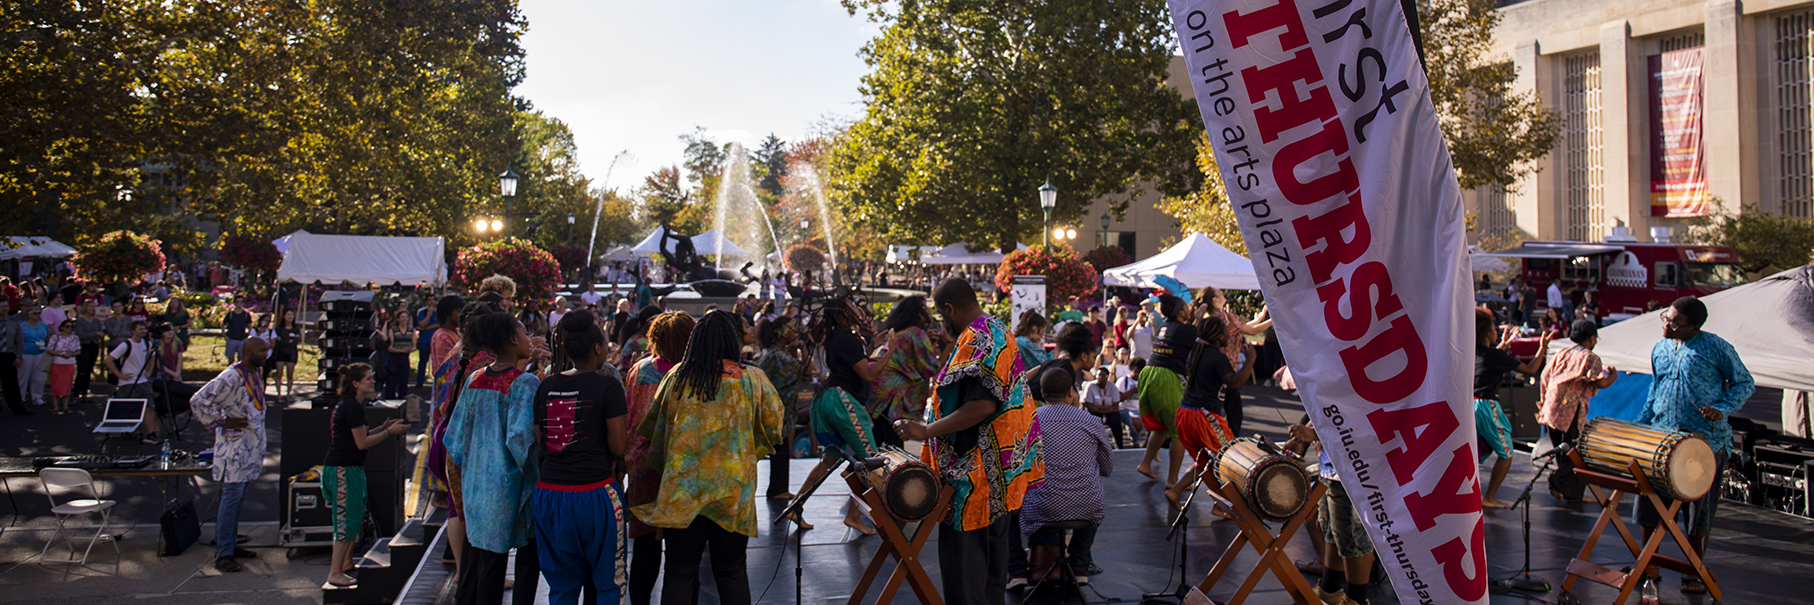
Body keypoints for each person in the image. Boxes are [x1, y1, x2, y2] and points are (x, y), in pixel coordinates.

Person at [892, 279, 1042, 605]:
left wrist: (925, 431)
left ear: (950, 309)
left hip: (974, 480)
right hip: (1001, 475)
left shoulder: (978, 339)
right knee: (990, 573)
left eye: (942, 314)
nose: (941, 322)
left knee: (967, 577)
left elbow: (982, 405)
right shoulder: (996, 328)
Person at [634, 311, 785, 605]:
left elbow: (656, 430)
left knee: (679, 571)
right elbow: (774, 427)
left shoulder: (676, 377)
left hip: (683, 493)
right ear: (732, 340)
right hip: (731, 493)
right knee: (731, 571)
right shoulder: (752, 379)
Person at [1636, 296, 1753, 595]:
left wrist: (1722, 407)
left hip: (1704, 441)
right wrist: (1641, 424)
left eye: (1674, 322)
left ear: (1693, 327)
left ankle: (1693, 570)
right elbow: (1656, 388)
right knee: (1650, 503)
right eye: (1666, 317)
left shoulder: (1716, 347)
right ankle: (1648, 564)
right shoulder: (1660, 347)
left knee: (1698, 512)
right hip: (1662, 438)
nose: (1666, 324)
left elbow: (1744, 382)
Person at [444, 312, 543, 605]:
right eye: (525, 334)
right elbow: (522, 441)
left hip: (476, 486)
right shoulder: (524, 383)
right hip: (507, 487)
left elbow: (455, 437)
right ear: (513, 339)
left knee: (479, 564)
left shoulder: (476, 378)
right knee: (512, 564)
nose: (529, 339)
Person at [534, 311, 630, 605]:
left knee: (561, 586)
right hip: (596, 495)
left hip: (550, 495)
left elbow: (542, 443)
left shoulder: (546, 386)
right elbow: (618, 445)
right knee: (608, 584)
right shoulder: (608, 386)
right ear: (599, 349)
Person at [624, 311, 694, 605]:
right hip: (681, 471)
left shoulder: (638, 370)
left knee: (643, 551)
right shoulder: (693, 374)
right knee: (684, 558)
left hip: (642, 468)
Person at [1021, 368, 1113, 582]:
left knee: (1011, 511)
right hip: (1086, 505)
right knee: (1093, 503)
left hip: (1043, 507)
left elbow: (1018, 469)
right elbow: (1108, 468)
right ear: (1071, 392)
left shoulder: (1030, 421)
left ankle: (1017, 571)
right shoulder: (1091, 421)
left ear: (1042, 394)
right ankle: (1079, 566)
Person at [189, 337, 272, 573]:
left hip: (250, 445)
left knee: (239, 498)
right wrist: (223, 421)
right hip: (234, 447)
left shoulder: (255, 373)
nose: (266, 353)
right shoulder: (231, 376)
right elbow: (198, 400)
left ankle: (232, 543)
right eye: (262, 350)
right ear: (247, 351)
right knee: (231, 497)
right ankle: (223, 552)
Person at [322, 363, 408, 587]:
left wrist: (382, 427)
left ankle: (347, 562)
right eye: (368, 379)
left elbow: (359, 435)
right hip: (344, 469)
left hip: (350, 468)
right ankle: (334, 571)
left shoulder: (352, 406)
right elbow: (361, 443)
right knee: (345, 520)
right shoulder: (352, 407)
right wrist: (389, 433)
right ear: (355, 384)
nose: (373, 381)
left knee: (355, 515)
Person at [1163, 313, 1256, 508]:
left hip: (1185, 413)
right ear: (1217, 337)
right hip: (1202, 416)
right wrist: (1250, 360)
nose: (1229, 335)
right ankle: (1222, 505)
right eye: (1225, 332)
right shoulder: (1216, 357)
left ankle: (1176, 491)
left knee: (1206, 461)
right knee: (1231, 457)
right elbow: (1235, 383)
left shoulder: (1196, 352)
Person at [1475, 308, 1549, 509]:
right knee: (1506, 453)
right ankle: (1489, 497)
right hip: (1486, 406)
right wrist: (1542, 348)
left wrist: (1502, 345)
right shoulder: (1496, 356)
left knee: (1474, 450)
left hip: (1469, 405)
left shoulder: (1474, 352)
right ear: (1487, 332)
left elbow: (1488, 359)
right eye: (1493, 327)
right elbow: (1531, 369)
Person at [1538, 319, 1617, 503]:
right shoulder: (1589, 357)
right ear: (1590, 339)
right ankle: (1558, 480)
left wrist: (1543, 401)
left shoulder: (1562, 353)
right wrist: (1613, 375)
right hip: (1570, 409)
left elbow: (1544, 376)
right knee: (1575, 451)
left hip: (1553, 406)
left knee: (1561, 450)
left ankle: (1570, 492)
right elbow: (1601, 382)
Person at [1137, 294, 1194, 488]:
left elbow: (1183, 332)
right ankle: (1172, 480)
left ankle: (1145, 464)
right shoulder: (1186, 330)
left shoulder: (1163, 326)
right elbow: (1200, 335)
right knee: (1178, 431)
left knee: (1160, 427)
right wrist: (1199, 318)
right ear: (1180, 312)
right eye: (1187, 307)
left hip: (1148, 373)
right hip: (1166, 377)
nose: (1190, 309)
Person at [1197, 286, 1270, 435]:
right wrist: (1274, 320)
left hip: (1212, 367)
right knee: (1233, 414)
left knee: (1216, 409)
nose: (1222, 294)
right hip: (1225, 368)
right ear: (1214, 299)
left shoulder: (1212, 317)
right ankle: (1229, 443)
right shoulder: (1224, 316)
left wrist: (1261, 318)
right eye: (1219, 293)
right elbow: (1252, 331)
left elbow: (1243, 327)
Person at [820, 298, 894, 445]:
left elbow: (853, 363)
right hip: (845, 400)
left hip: (835, 397)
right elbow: (868, 375)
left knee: (833, 457)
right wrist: (890, 352)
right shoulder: (847, 339)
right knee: (868, 455)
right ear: (842, 315)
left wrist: (872, 347)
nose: (857, 309)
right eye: (852, 306)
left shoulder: (839, 336)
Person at [753, 316, 809, 502]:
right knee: (780, 450)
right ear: (784, 333)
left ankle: (779, 488)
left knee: (782, 449)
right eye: (793, 329)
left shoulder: (773, 353)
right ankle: (777, 489)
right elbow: (807, 371)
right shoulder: (779, 356)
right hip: (779, 411)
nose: (796, 332)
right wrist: (802, 348)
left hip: (776, 410)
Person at [870, 295, 943, 426]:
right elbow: (930, 368)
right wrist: (950, 344)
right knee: (893, 444)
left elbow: (911, 363)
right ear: (915, 312)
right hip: (893, 399)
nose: (927, 312)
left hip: (879, 395)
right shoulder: (915, 333)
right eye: (924, 309)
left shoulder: (898, 333)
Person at [105, 321, 167, 440]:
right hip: (128, 382)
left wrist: (148, 371)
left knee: (149, 407)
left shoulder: (147, 344)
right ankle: (126, 432)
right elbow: (108, 360)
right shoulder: (125, 345)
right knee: (129, 408)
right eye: (140, 329)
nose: (143, 331)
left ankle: (150, 434)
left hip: (142, 381)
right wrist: (119, 374)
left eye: (144, 329)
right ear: (133, 331)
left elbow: (153, 356)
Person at [45, 320, 79, 414]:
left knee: (67, 384)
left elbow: (78, 350)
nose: (70, 328)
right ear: (62, 328)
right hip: (57, 363)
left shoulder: (75, 338)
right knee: (56, 385)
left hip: (69, 363)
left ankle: (65, 406)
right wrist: (60, 354)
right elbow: (49, 350)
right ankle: (55, 407)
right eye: (67, 326)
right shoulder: (55, 337)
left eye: (72, 326)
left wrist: (72, 353)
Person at [73, 300, 104, 402]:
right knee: (82, 370)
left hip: (94, 346)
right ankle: (76, 394)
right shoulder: (80, 321)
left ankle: (85, 394)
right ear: (85, 307)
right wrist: (95, 333)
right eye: (90, 307)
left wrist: (96, 335)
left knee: (89, 370)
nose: (92, 309)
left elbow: (101, 334)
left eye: (94, 307)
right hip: (84, 346)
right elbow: (80, 335)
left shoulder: (96, 320)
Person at [17, 306, 48, 407]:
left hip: (40, 352)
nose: (37, 315)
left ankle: (37, 397)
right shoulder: (22, 326)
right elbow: (17, 340)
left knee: (39, 375)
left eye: (39, 313)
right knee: (23, 375)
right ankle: (21, 397)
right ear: (28, 314)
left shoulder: (42, 325)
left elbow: (47, 336)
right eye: (35, 313)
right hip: (26, 352)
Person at [382, 312, 415, 399]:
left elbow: (414, 345)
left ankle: (403, 404)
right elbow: (390, 347)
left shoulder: (411, 330)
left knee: (403, 384)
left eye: (406, 317)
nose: (404, 319)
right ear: (398, 319)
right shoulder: (393, 330)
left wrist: (411, 349)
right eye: (402, 317)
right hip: (394, 358)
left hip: (405, 358)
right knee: (391, 383)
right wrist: (403, 350)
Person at [271, 309, 301, 399]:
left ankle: (288, 394)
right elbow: (278, 342)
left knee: (290, 374)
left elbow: (296, 341)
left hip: (291, 353)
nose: (290, 317)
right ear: (284, 316)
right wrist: (288, 341)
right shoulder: (279, 329)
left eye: (292, 315)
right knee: (279, 373)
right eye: (288, 315)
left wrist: (286, 341)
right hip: (280, 353)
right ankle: (279, 394)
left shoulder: (296, 328)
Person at [1116, 358, 1145, 447]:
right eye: (1136, 371)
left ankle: (1146, 445)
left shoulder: (1145, 381)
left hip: (1142, 410)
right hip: (1126, 409)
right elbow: (1118, 398)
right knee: (1136, 421)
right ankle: (1135, 442)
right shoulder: (1123, 381)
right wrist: (1133, 390)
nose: (1137, 374)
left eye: (1140, 372)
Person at [415, 301, 439, 388]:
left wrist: (426, 328)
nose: (431, 303)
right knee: (422, 361)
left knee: (436, 362)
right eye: (429, 300)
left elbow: (438, 324)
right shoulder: (422, 312)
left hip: (435, 341)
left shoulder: (438, 312)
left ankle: (436, 381)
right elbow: (421, 323)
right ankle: (420, 381)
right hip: (424, 341)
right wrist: (428, 314)